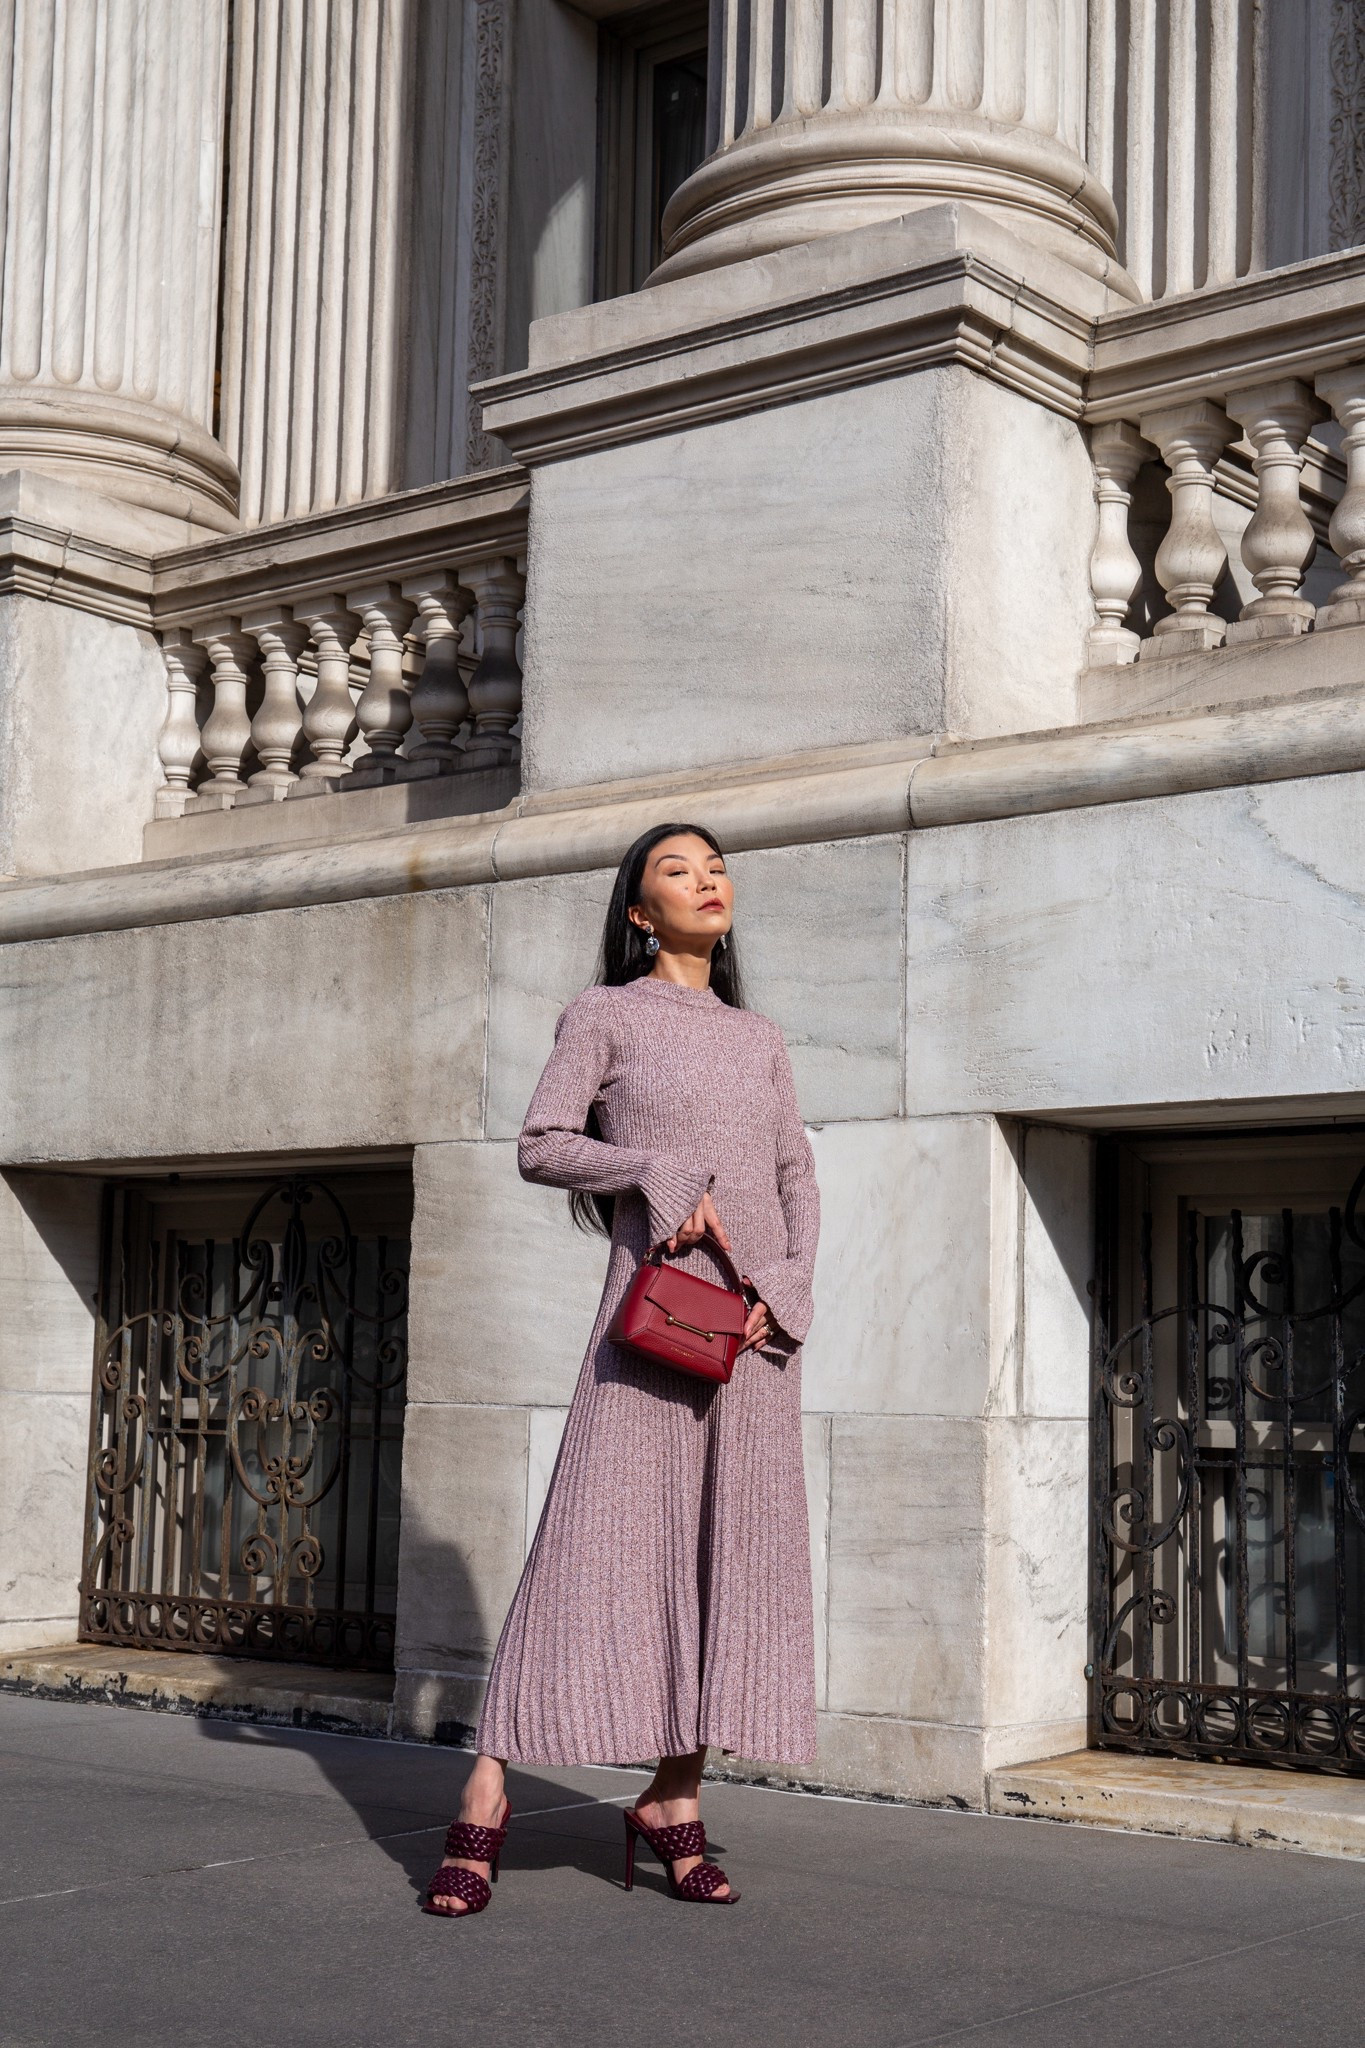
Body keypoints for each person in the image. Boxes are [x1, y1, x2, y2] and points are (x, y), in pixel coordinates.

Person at [422, 821, 820, 1916]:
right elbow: (543, 1139)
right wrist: (651, 1168)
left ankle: (673, 1799)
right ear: (639, 911)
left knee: (729, 1562)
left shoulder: (762, 1035)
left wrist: (783, 1298)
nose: (707, 883)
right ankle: (490, 1789)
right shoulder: (605, 1013)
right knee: (584, 1551)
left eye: (718, 866)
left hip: (751, 1342)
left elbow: (797, 1175)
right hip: (645, 1334)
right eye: (677, 871)